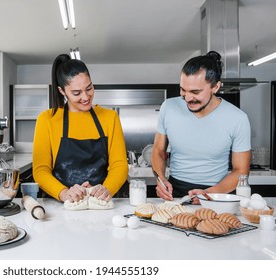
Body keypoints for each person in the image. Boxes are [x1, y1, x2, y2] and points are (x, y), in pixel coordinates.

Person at [151, 51, 251, 202]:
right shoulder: (169, 107)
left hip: (217, 193)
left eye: (195, 92)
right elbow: (158, 150)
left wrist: (209, 194)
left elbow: (241, 171)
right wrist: (160, 179)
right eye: (183, 90)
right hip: (174, 192)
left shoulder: (238, 119)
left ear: (215, 87)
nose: (188, 98)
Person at [32, 54, 128, 203]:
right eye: (76, 93)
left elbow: (119, 165)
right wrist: (64, 193)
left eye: (89, 88)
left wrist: (106, 189)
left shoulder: (110, 117)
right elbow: (40, 170)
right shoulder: (47, 120)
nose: (86, 97)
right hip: (62, 206)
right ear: (62, 91)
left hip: (101, 203)